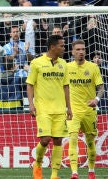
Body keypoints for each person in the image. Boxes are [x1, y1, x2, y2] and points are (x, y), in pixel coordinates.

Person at [26, 35, 73, 179]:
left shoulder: (63, 64)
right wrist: (31, 104)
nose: (64, 48)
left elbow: (66, 86)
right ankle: (38, 164)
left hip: (59, 109)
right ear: (52, 47)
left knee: (58, 140)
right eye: (61, 45)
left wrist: (69, 108)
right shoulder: (36, 63)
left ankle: (54, 175)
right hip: (43, 109)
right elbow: (30, 84)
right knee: (45, 139)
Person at [66, 40, 104, 179]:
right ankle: (74, 172)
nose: (81, 51)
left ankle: (91, 171)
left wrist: (96, 100)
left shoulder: (93, 67)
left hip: (89, 111)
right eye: (78, 49)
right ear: (72, 52)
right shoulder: (67, 67)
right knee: (73, 138)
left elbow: (101, 88)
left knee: (90, 142)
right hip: (73, 111)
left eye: (83, 49)